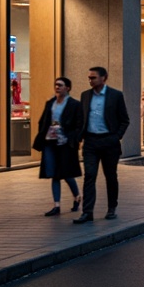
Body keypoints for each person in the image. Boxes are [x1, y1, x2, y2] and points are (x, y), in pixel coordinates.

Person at [74, 66, 130, 224]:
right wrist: (79, 137)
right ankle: (87, 212)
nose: (90, 80)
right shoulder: (85, 96)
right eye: (89, 78)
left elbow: (125, 120)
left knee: (110, 176)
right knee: (89, 176)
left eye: (93, 77)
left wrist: (116, 137)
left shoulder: (115, 95)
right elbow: (81, 118)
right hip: (90, 142)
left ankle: (112, 208)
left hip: (109, 142)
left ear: (104, 78)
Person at [34, 76, 83, 217]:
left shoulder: (74, 104)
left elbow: (79, 124)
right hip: (50, 141)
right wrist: (43, 134)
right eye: (56, 85)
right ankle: (56, 205)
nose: (57, 87)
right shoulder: (50, 103)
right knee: (54, 173)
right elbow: (43, 120)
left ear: (67, 87)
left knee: (66, 174)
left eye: (60, 85)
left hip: (66, 142)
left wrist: (72, 138)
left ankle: (77, 196)